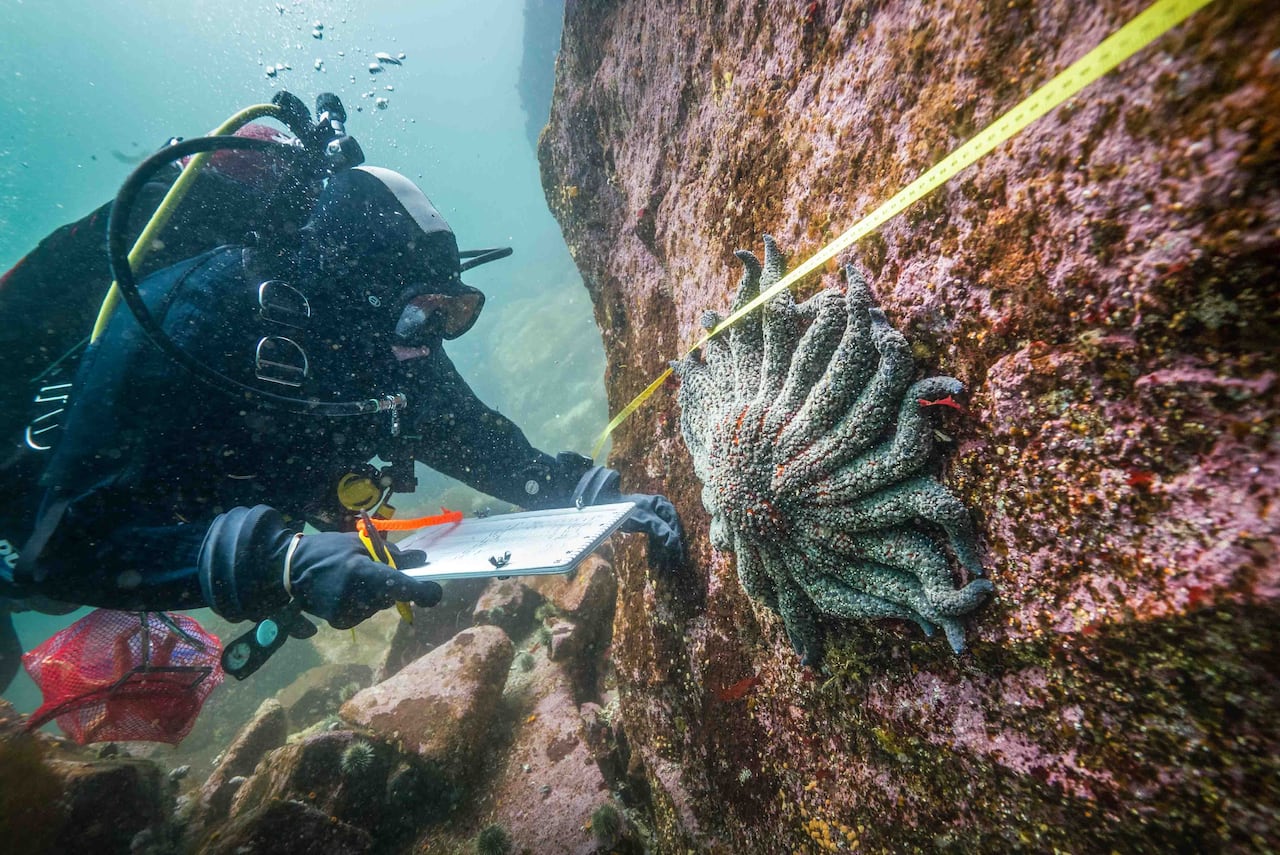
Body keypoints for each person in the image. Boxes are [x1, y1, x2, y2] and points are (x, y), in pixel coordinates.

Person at [0, 99, 682, 692]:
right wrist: (282, 562)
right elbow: (61, 551)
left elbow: (474, 437)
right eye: (419, 313)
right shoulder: (194, 315)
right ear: (347, 297)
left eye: (453, 312)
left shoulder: (389, 353)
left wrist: (584, 492)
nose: (431, 340)